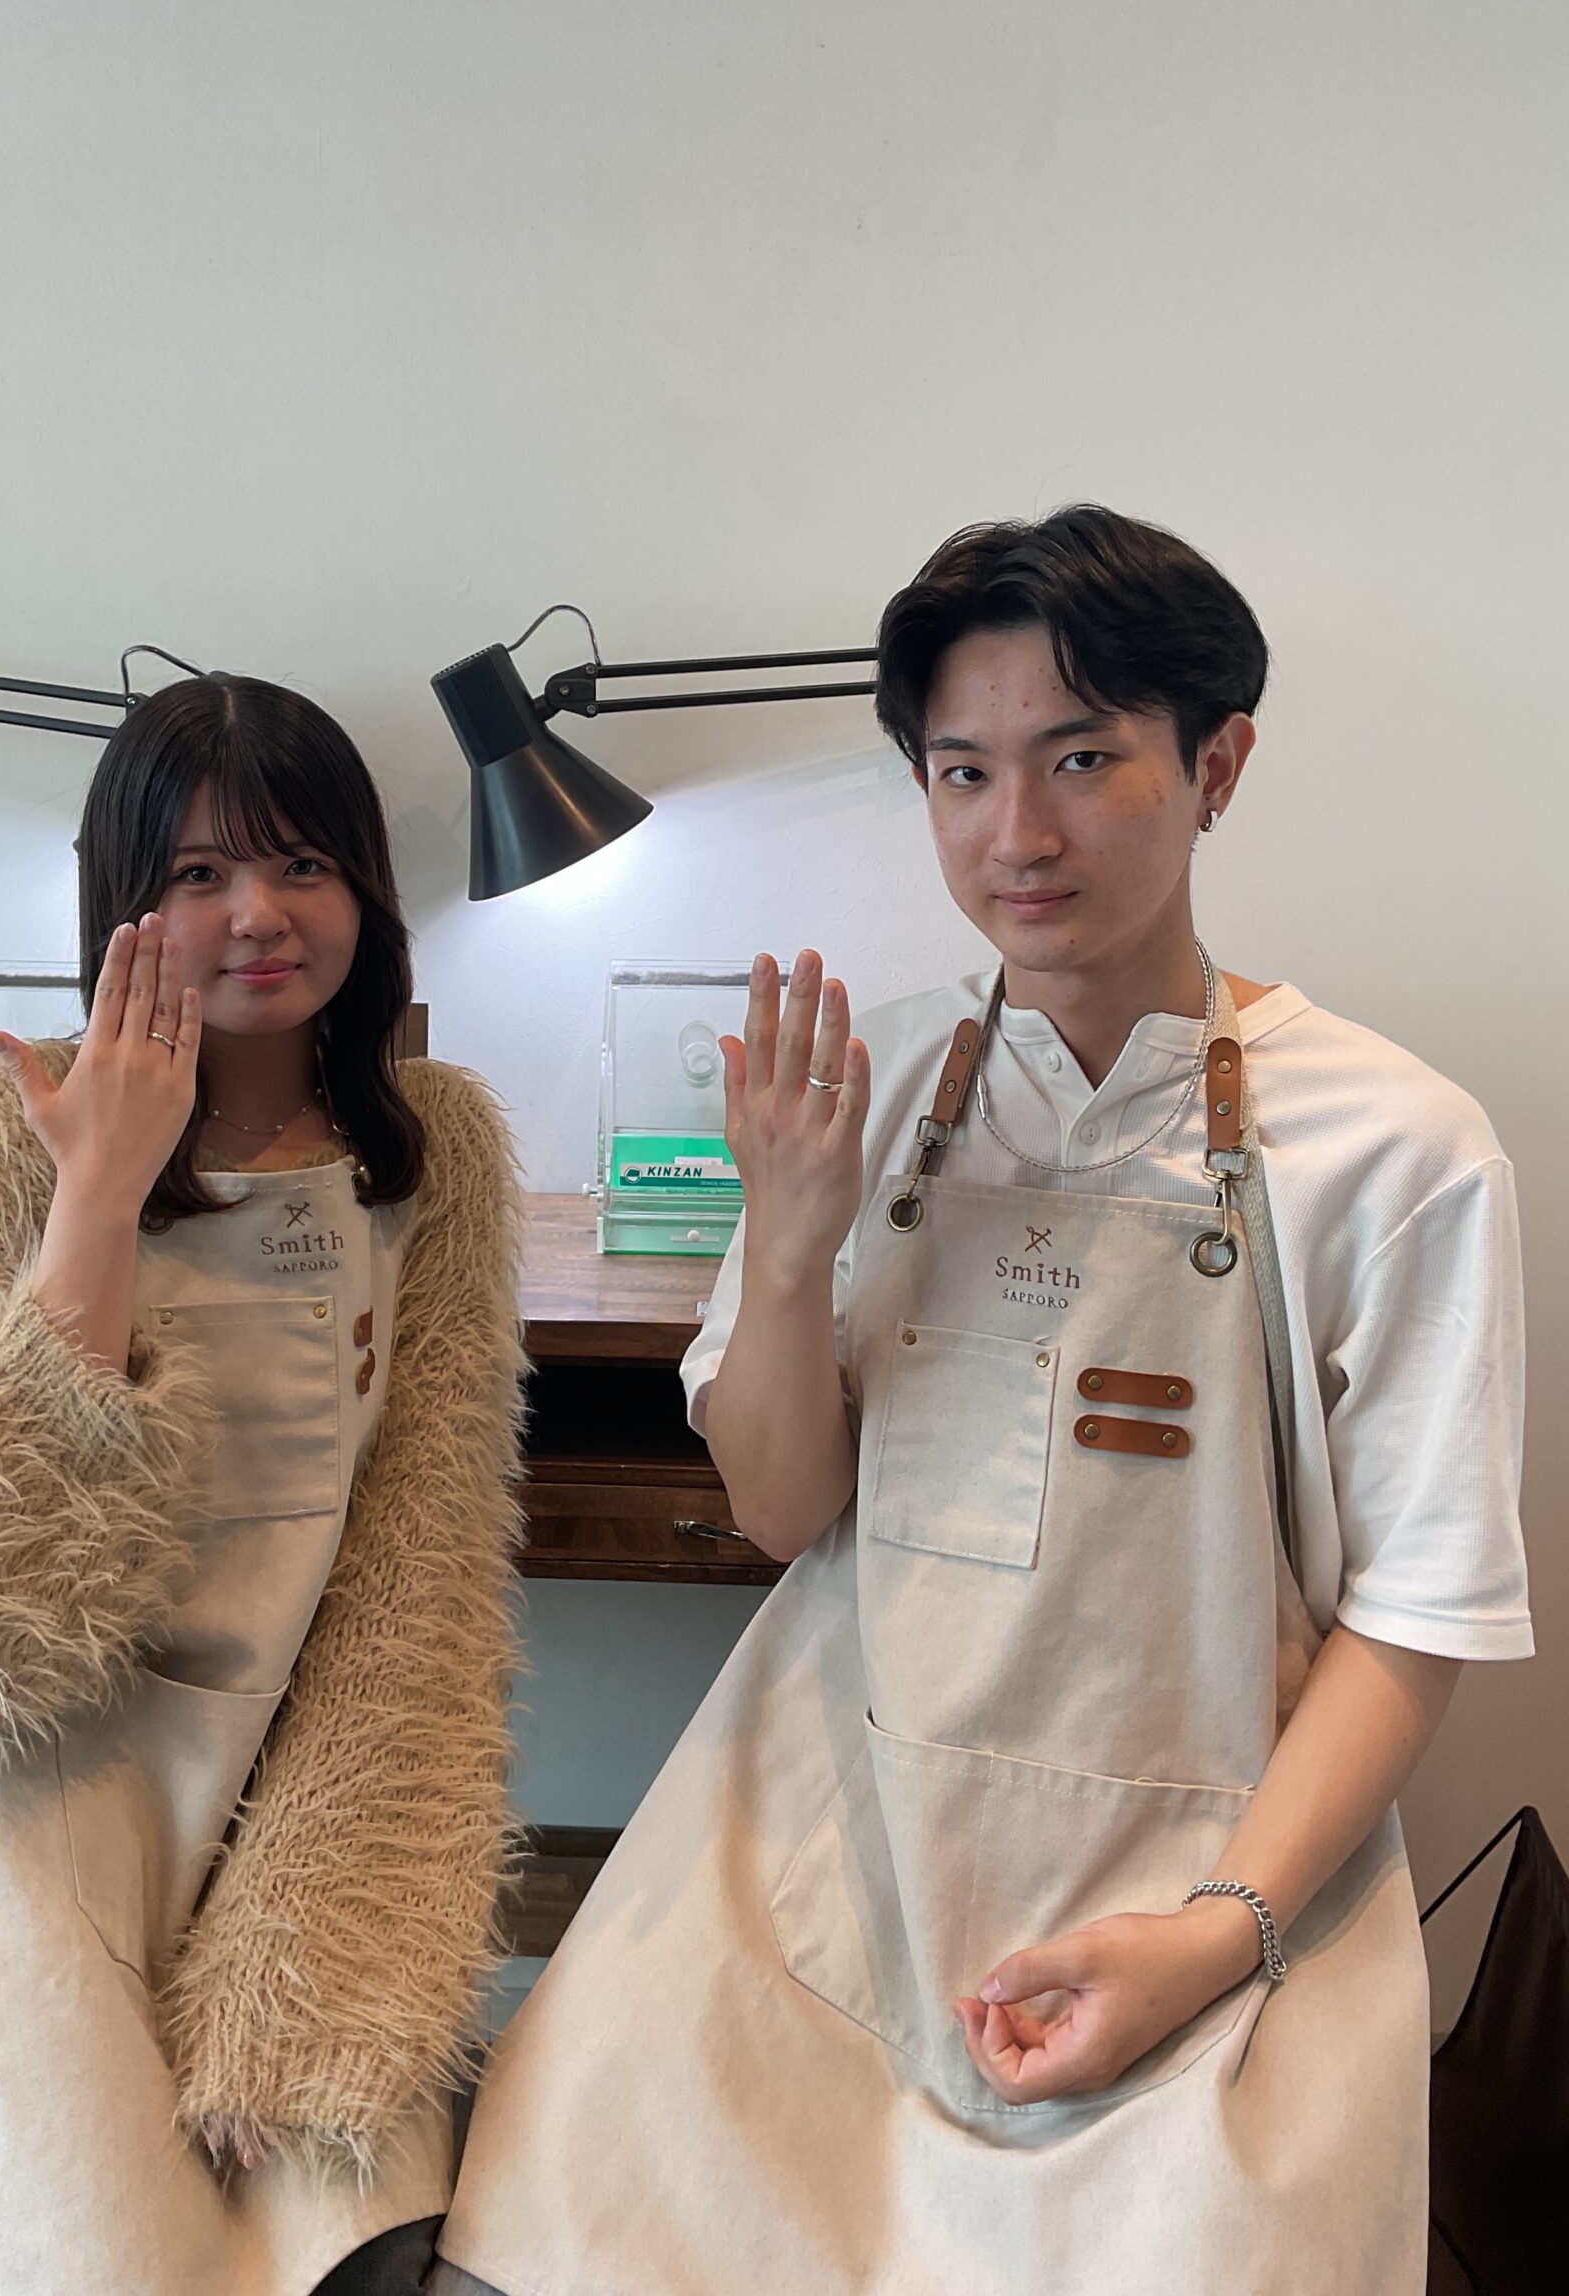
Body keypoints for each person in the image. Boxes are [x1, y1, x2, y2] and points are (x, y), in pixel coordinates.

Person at [435, 506, 1530, 2296]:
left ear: (1217, 767)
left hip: (1210, 1878)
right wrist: (792, 1239)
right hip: (836, 1849)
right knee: (584, 2205)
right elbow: (783, 1512)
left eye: (1082, 760)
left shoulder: (1397, 1148)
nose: (1017, 833)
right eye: (963, 772)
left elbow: (1420, 1619)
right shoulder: (857, 1090)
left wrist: (1214, 1937)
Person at [0, 673, 527, 2296]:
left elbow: (421, 1574)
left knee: (367, 2252)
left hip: (266, 1780)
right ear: (123, 901)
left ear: (366, 892)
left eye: (302, 863)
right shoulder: (6, 1122)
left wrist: (303, 1951)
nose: (257, 915)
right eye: (196, 874)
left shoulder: (437, 1145)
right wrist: (98, 1198)